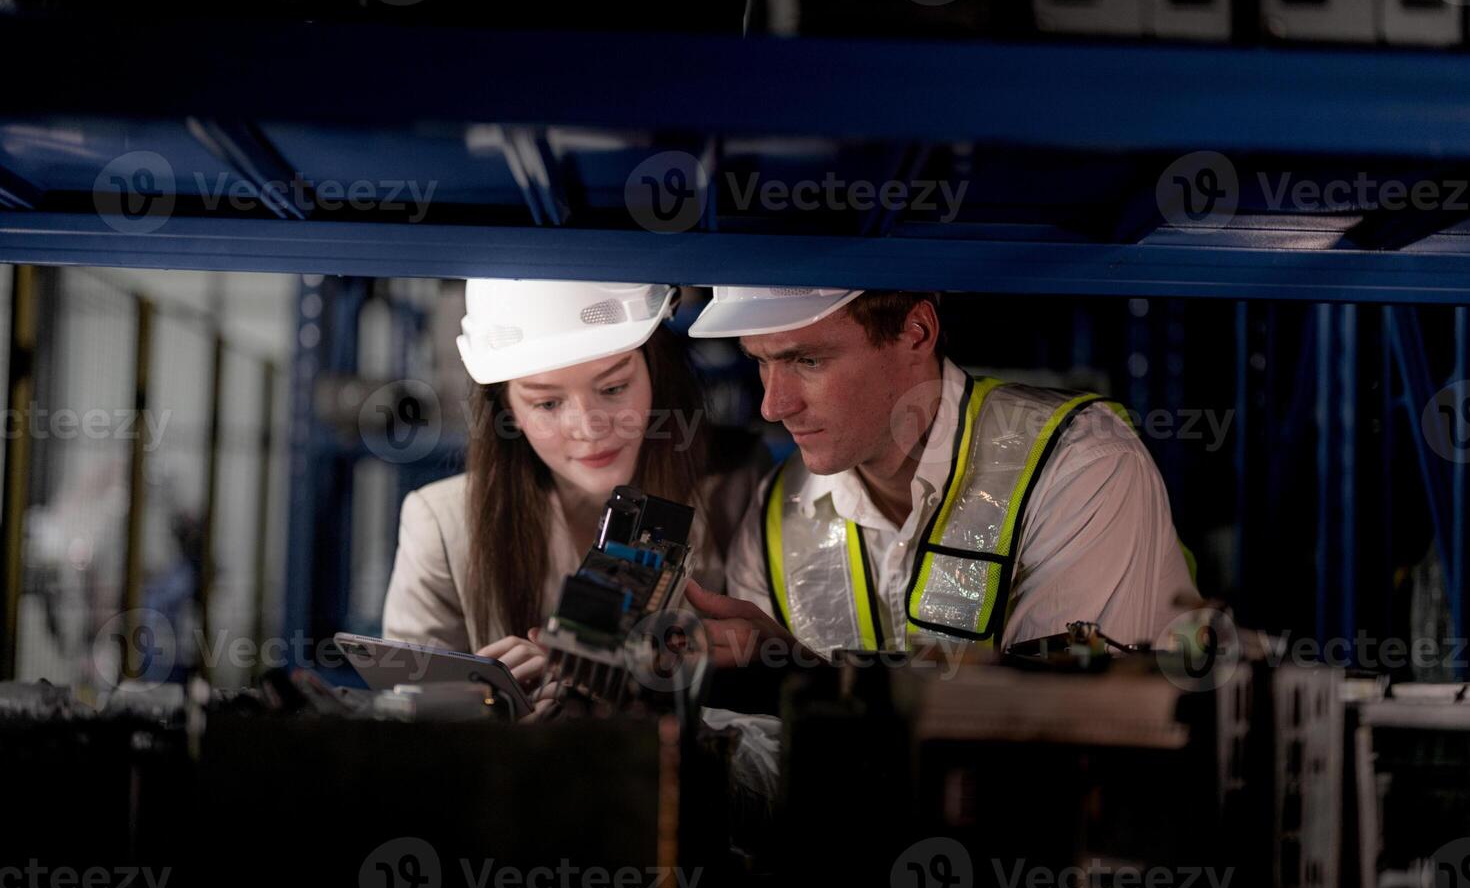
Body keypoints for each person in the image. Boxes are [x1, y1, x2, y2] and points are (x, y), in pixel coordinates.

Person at [679, 286, 1203, 665]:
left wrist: (807, 686)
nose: (774, 405)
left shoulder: (1081, 463)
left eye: (809, 360)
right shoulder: (779, 506)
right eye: (761, 363)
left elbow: (1054, 739)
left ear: (917, 333)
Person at [381, 279, 763, 689]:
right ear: (507, 408)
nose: (588, 427)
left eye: (614, 388)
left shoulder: (737, 487)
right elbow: (409, 725)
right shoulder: (441, 526)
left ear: (655, 371)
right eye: (547, 403)